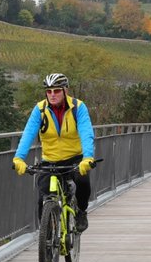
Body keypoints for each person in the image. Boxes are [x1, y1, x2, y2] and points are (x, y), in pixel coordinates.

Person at [12, 73, 96, 231]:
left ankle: (81, 212)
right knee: (42, 199)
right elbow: (28, 133)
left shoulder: (78, 107)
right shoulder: (40, 109)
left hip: (74, 158)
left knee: (83, 182)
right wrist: (19, 158)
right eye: (49, 91)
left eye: (56, 91)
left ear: (65, 90)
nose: (52, 95)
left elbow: (86, 133)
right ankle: (47, 239)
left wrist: (87, 157)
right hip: (50, 160)